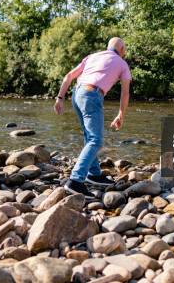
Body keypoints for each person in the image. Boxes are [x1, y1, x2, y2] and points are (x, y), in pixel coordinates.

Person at [54, 37, 132, 197]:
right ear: (122, 50)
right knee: (96, 140)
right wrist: (121, 114)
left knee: (89, 136)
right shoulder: (122, 63)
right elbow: (125, 92)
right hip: (92, 94)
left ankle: (94, 173)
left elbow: (69, 76)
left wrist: (60, 98)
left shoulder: (93, 56)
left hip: (77, 93)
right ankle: (75, 180)